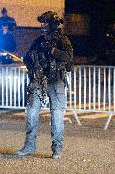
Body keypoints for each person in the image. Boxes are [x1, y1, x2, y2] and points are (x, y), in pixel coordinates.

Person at [17, 11, 73, 159]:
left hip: (56, 82)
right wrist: (30, 62)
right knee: (31, 113)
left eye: (45, 23)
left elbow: (68, 58)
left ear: (52, 24)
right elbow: (29, 57)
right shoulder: (38, 41)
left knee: (56, 115)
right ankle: (29, 146)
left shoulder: (62, 40)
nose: (42, 26)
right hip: (38, 81)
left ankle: (57, 149)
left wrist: (53, 51)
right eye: (41, 23)